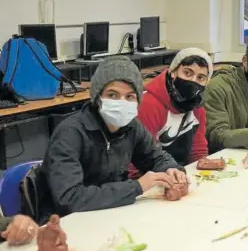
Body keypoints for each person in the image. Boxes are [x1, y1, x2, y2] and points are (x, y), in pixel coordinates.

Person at [33, 57, 186, 224]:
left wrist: (172, 169)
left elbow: (155, 157)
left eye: (129, 97)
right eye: (112, 95)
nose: (121, 103)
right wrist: (137, 187)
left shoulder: (132, 127)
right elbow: (70, 199)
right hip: (66, 223)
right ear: (97, 97)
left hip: (111, 213)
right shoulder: (70, 134)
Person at [133, 48, 213, 171]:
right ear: (173, 72)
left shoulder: (197, 109)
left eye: (201, 77)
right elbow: (137, 158)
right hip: (149, 176)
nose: (193, 81)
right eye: (187, 73)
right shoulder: (149, 105)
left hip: (179, 173)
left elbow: (198, 151)